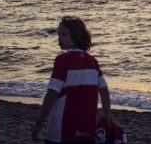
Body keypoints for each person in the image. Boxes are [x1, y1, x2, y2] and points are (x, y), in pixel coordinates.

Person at [32, 16, 111, 144]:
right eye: (59, 34)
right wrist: (107, 117)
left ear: (75, 36)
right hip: (87, 130)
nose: (59, 38)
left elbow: (52, 94)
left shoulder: (62, 60)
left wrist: (39, 123)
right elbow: (104, 91)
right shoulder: (92, 62)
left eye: (64, 34)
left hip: (62, 131)